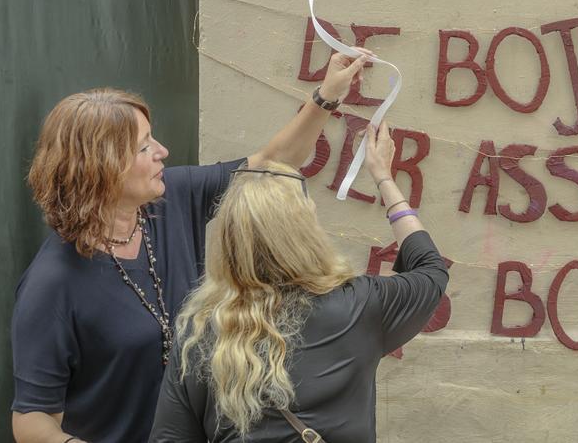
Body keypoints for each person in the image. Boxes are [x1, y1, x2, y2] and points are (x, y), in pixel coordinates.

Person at [11, 50, 370, 443]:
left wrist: (327, 97)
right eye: (144, 147)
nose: (162, 151)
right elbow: (32, 422)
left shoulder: (171, 199)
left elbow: (273, 162)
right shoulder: (52, 284)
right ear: (103, 166)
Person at [148, 122, 448, 443]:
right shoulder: (360, 305)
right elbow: (430, 267)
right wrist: (384, 177)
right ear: (306, 235)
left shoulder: (201, 331)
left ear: (230, 240)